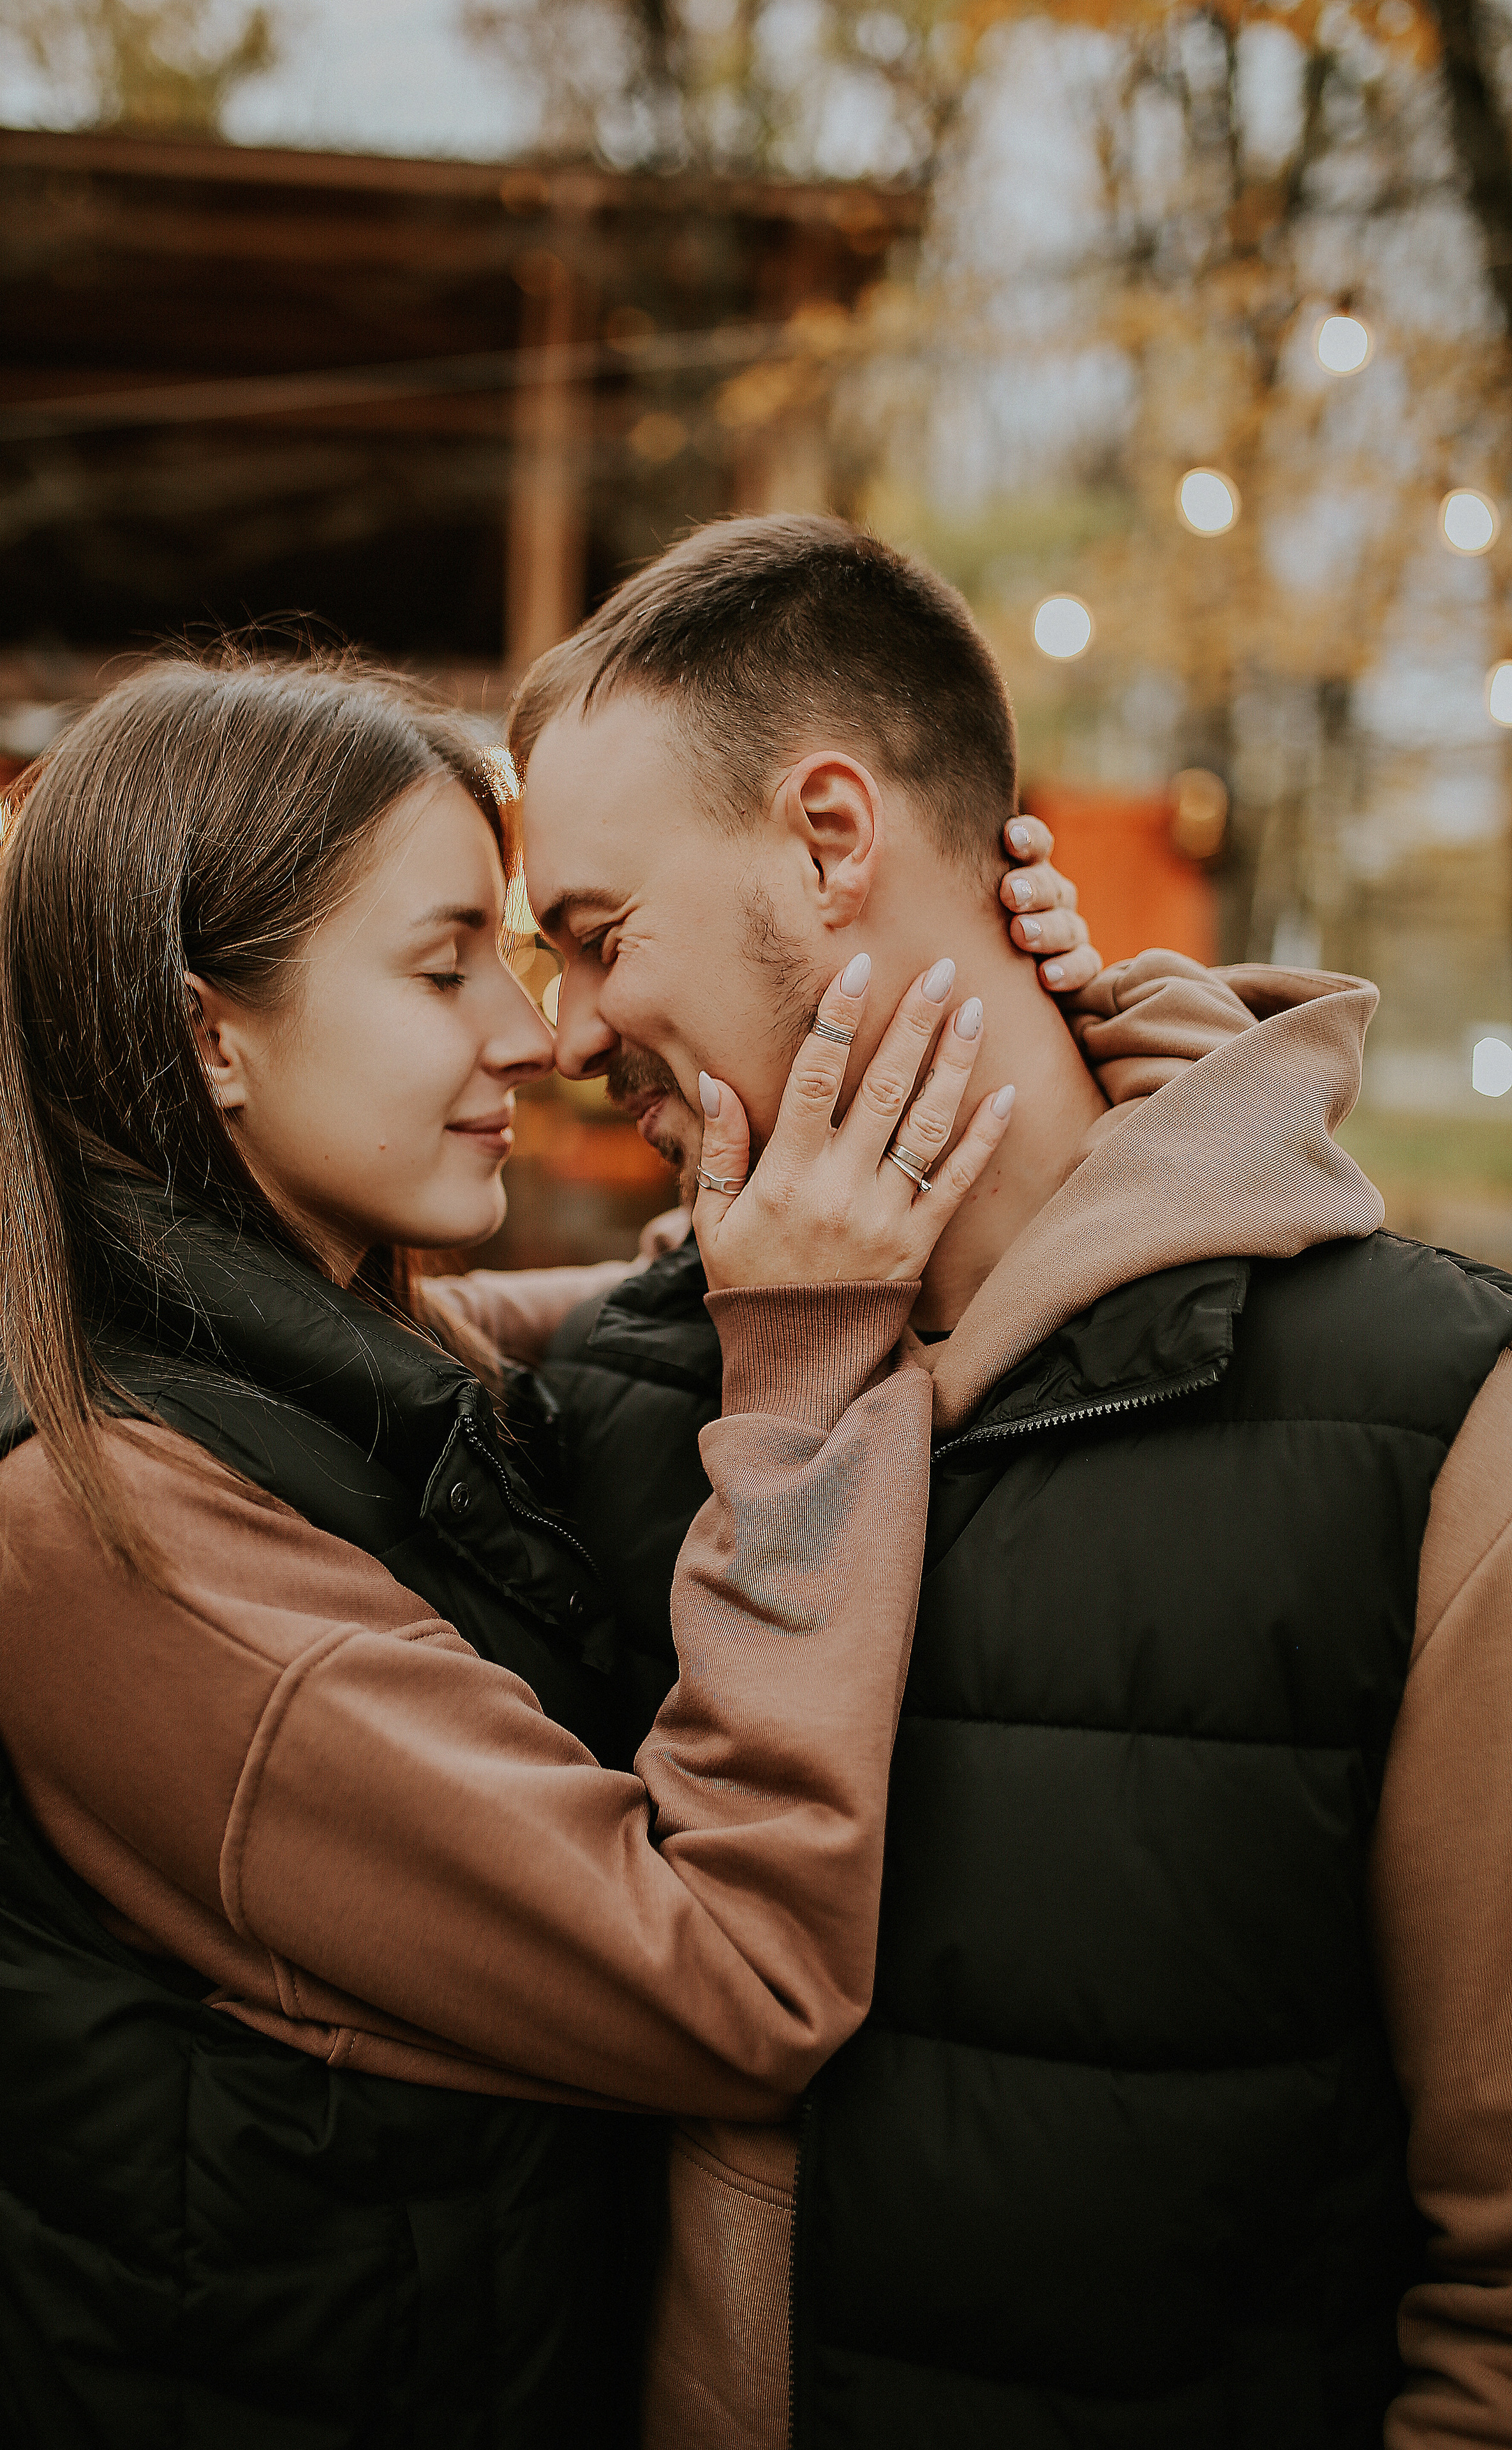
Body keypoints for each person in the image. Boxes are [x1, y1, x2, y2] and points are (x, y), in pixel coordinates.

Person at [0, 648, 1054, 2450]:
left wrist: (1055, 1033)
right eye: (446, 970)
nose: (532, 1033)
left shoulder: (311, 1354)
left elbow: (675, 1297)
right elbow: (732, 1977)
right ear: (212, 1034)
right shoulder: (105, 1523)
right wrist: (806, 1383)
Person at [514, 514, 1512, 2450]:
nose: (561, 1035)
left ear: (829, 841)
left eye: (594, 934)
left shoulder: (1437, 1421)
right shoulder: (635, 1390)